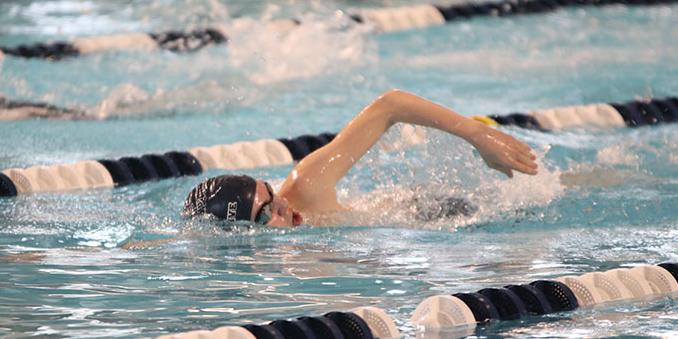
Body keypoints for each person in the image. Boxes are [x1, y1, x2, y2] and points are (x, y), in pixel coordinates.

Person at [183, 89, 539, 227]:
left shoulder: (305, 188)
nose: (284, 205)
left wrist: (477, 136)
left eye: (271, 193)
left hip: (439, 208)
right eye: (266, 212)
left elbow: (391, 105)